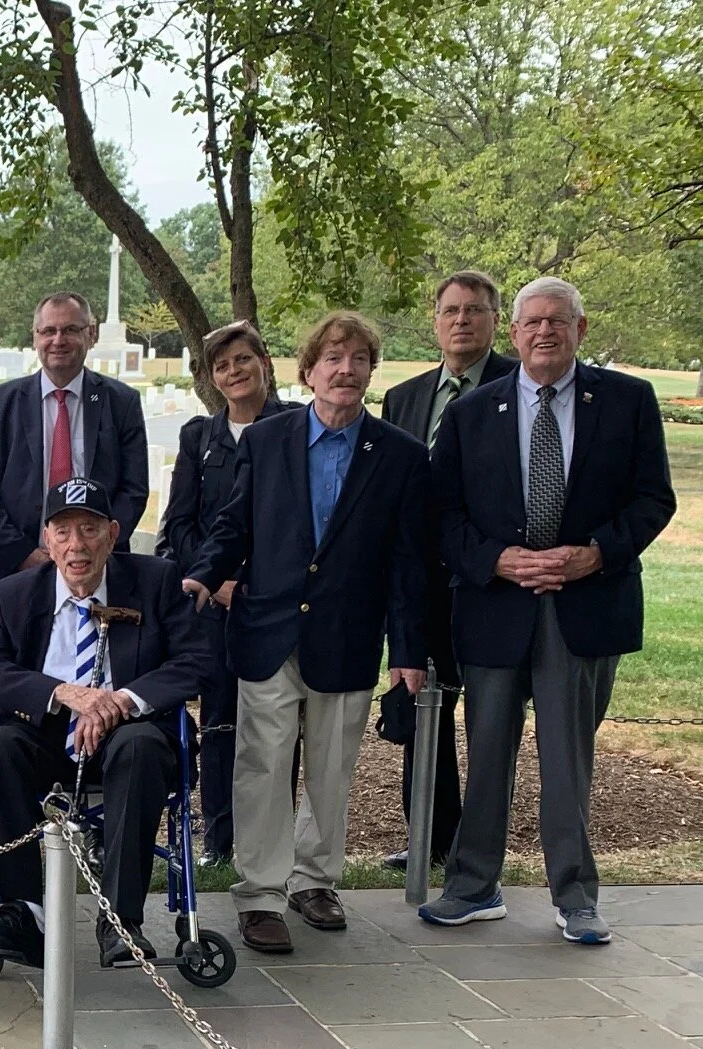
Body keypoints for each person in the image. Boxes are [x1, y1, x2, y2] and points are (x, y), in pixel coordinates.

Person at [421, 277, 675, 942]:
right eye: (531, 322)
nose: (544, 333)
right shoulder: (475, 413)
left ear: (580, 330)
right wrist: (496, 559)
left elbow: (653, 500)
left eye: (557, 322)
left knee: (568, 759)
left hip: (582, 604)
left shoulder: (627, 402)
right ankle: (473, 885)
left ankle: (576, 897)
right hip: (495, 607)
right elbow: (441, 515)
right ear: (514, 334)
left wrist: (597, 554)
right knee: (488, 752)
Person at [184, 312, 430, 955]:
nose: (345, 370)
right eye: (332, 359)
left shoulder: (400, 456)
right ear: (307, 371)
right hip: (267, 630)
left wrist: (407, 651)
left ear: (372, 373)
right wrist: (203, 578)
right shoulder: (267, 442)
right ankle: (261, 895)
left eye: (357, 360)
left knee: (330, 768)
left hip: (347, 636)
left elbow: (409, 561)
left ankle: (314, 880)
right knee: (261, 765)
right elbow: (233, 526)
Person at [0, 479, 209, 965]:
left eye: (90, 529)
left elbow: (198, 660)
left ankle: (120, 920)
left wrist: (121, 700)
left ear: (113, 534)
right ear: (47, 541)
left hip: (130, 734)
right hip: (46, 733)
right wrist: (62, 693)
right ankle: (23, 914)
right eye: (64, 532)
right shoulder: (12, 594)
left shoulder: (156, 581)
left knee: (139, 747)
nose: (78, 545)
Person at [379, 270, 518, 871]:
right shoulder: (404, 398)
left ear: (495, 320)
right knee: (421, 710)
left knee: (488, 719)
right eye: (451, 311)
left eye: (475, 310)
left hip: (492, 581)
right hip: (421, 583)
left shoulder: (523, 385)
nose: (462, 320)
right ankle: (429, 841)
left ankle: (477, 848)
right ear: (435, 322)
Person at [154, 321, 298, 868]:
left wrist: (255, 586)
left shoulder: (295, 426)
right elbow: (181, 524)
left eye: (243, 360)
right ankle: (219, 837)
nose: (234, 372)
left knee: (276, 726)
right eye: (222, 366)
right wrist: (216, 582)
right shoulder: (199, 437)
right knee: (218, 722)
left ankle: (269, 838)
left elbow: (292, 527)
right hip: (213, 603)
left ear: (264, 361)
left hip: (275, 605)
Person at [0, 291, 148, 603]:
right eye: (48, 331)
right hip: (16, 570)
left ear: (90, 334)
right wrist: (24, 553)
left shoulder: (122, 403)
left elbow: (133, 489)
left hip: (98, 570)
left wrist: (94, 549)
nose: (58, 340)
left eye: (70, 330)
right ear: (35, 337)